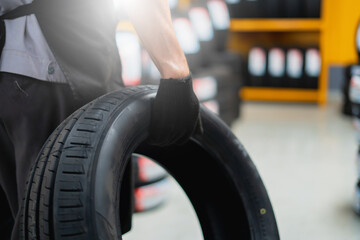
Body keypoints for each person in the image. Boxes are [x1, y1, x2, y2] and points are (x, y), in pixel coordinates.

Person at [0, 0, 201, 239]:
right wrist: (176, 74)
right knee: (67, 222)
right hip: (55, 67)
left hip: (14, 74)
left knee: (25, 219)